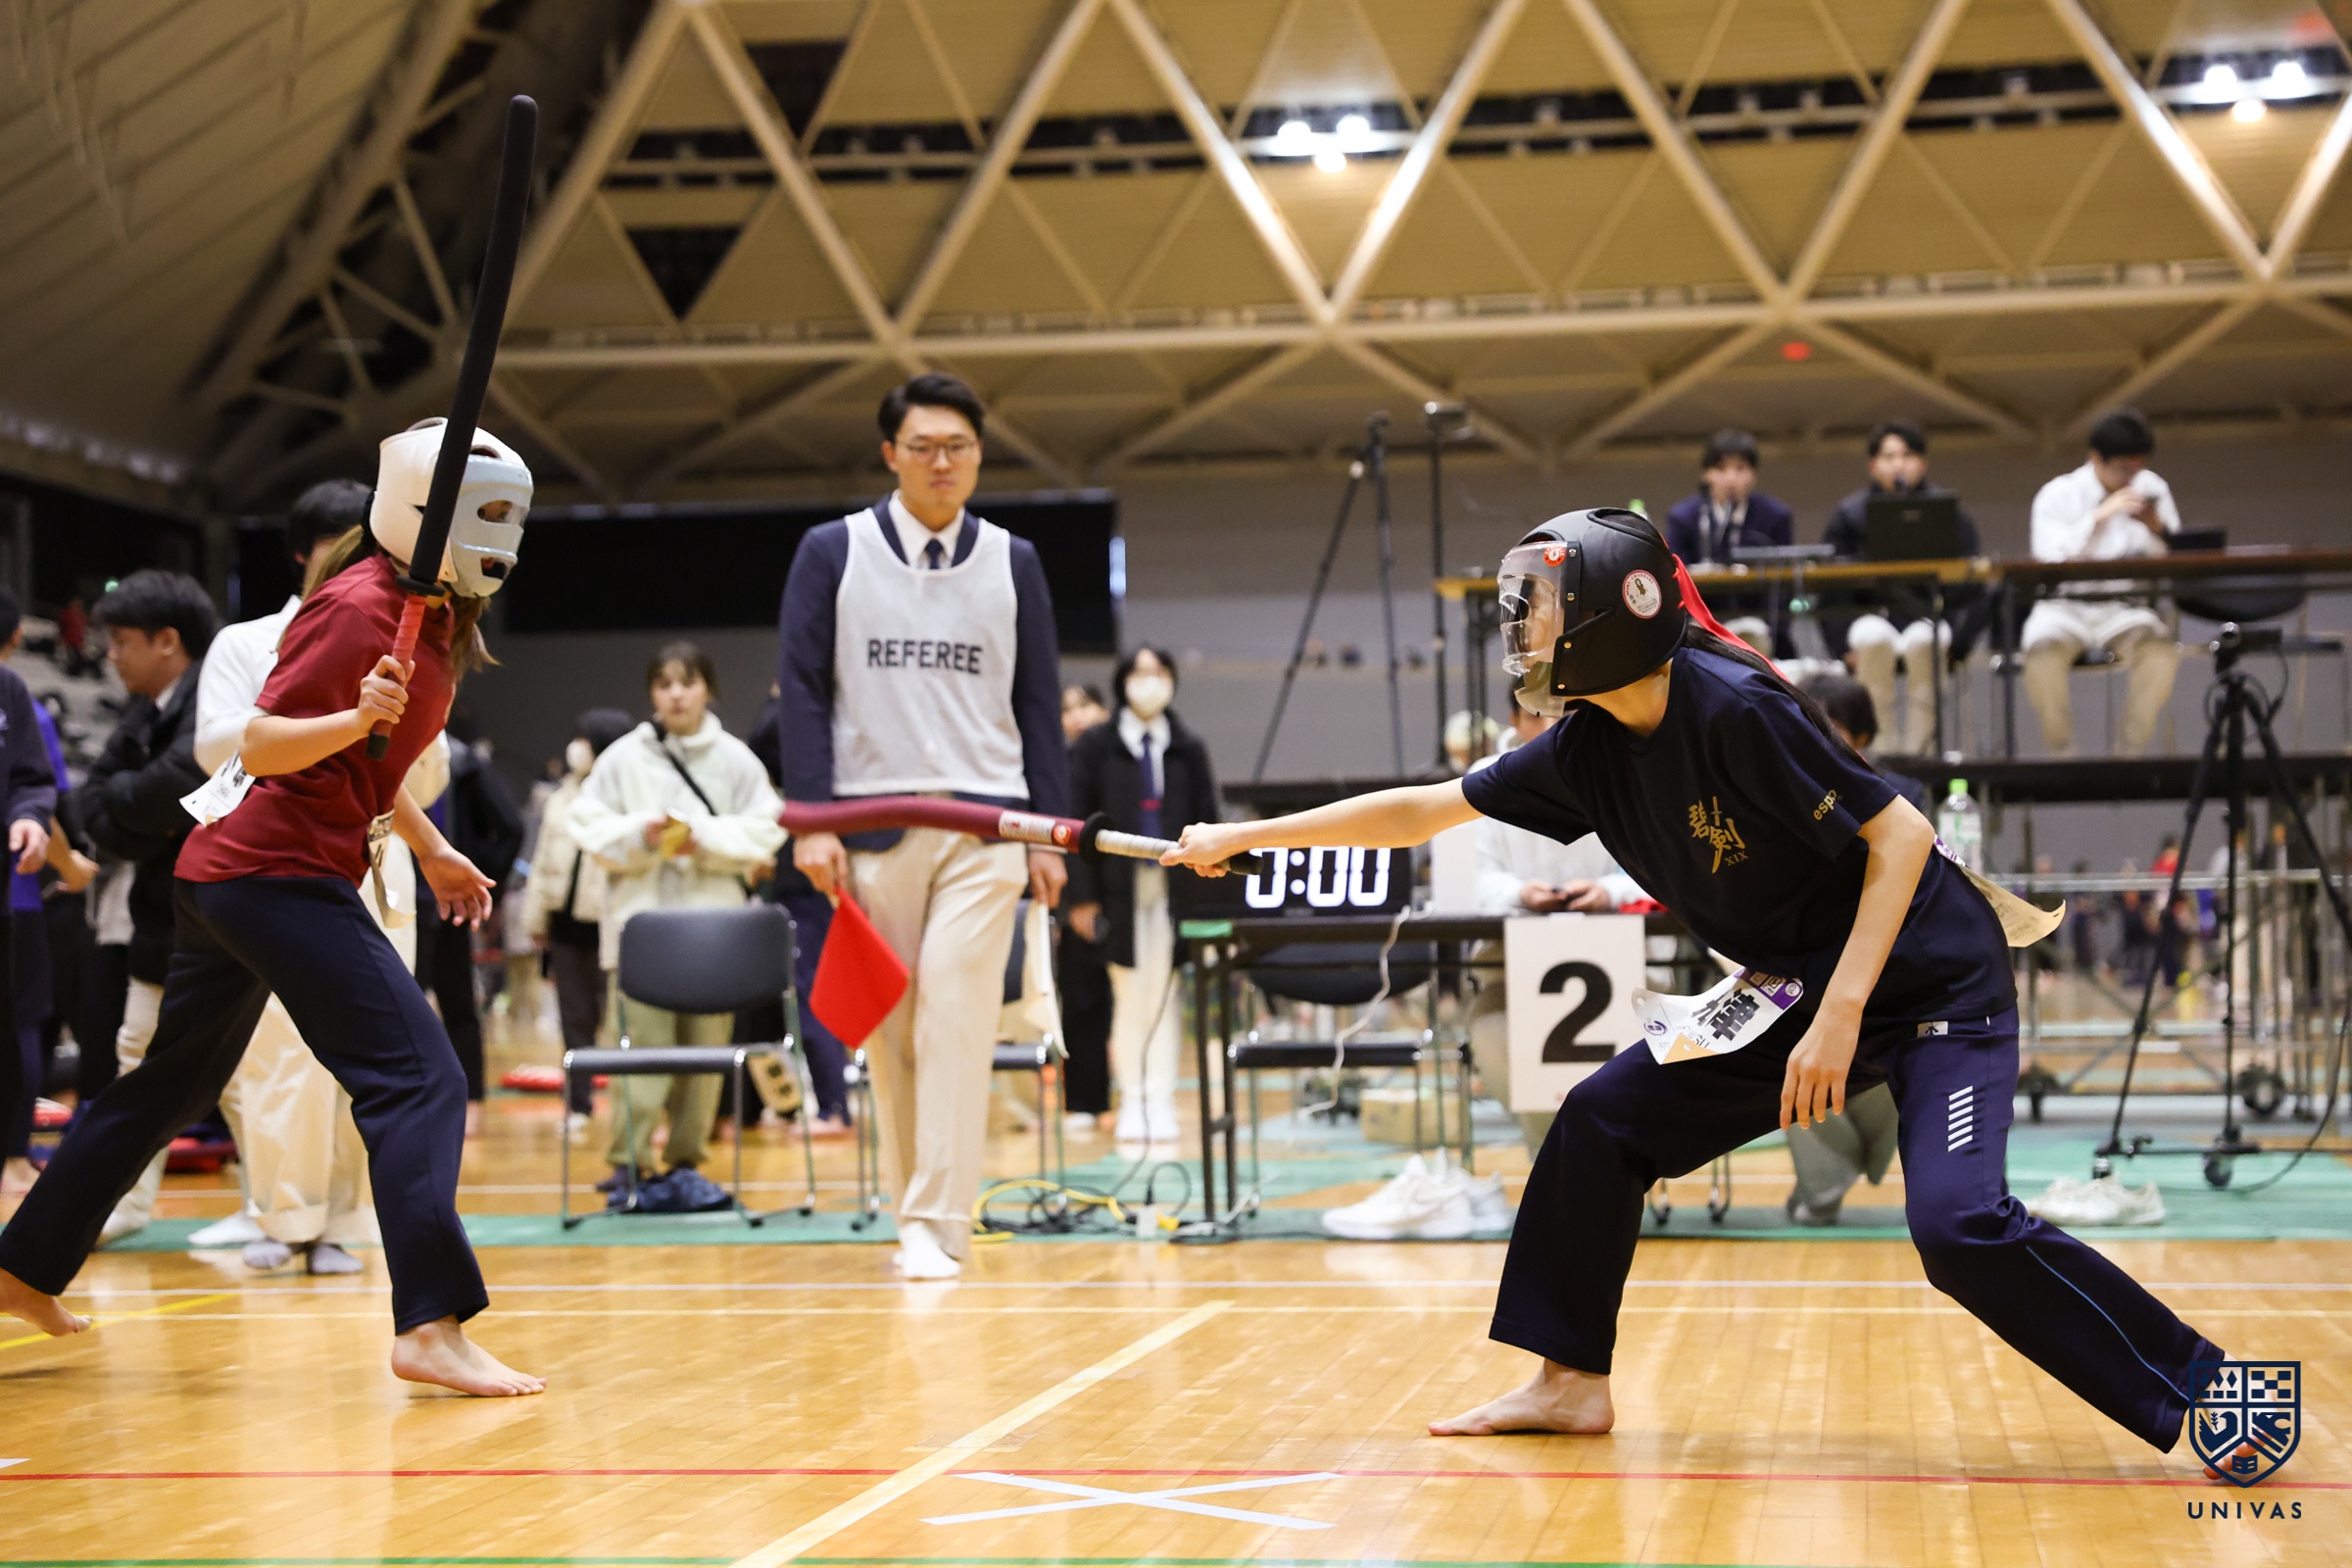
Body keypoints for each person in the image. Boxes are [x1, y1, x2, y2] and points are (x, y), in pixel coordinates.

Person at [1162, 507, 2222, 1455]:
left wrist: (1842, 1014)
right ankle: (1569, 1384)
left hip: (1931, 985)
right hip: (1796, 987)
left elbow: (1902, 836)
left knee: (1958, 1229)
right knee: (1600, 1121)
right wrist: (1242, 835)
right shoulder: (1582, 750)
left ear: (1611, 611)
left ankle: (2209, 1389)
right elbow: (1423, 809)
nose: (1522, 631)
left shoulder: (1734, 707)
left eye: (1539, 608)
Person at [0, 416, 543, 1397]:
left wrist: (431, 848)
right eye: (483, 512)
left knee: (167, 1088)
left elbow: (367, 763)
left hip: (237, 873)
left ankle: (20, 1267)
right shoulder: (363, 605)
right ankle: (430, 1323)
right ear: (424, 509)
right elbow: (260, 740)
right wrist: (355, 714)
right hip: (271, 872)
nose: (498, 533)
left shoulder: (430, 607)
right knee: (418, 1077)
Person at [779, 371, 1069, 1280]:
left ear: (978, 455)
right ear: (890, 455)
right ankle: (915, 1219)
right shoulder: (834, 551)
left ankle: (938, 1221)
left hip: (988, 825)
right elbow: (802, 695)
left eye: (958, 447)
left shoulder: (1014, 560)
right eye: (924, 447)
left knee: (956, 1011)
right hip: (873, 823)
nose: (942, 463)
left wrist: (1049, 832)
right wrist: (810, 821)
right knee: (893, 1032)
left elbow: (1040, 702)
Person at [186, 479, 447, 1272]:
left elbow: (423, 771)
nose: (364, 561)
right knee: (283, 1053)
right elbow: (220, 746)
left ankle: (341, 1218)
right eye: (346, 545)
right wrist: (334, 724)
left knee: (380, 1055)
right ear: (304, 552)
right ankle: (282, 1217)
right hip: (275, 859)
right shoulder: (247, 642)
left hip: (375, 855)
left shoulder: (417, 631)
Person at [570, 643, 783, 1200]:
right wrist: (641, 834)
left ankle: (687, 1158)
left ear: (708, 689)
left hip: (715, 932)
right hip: (642, 931)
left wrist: (702, 838)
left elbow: (768, 828)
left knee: (706, 1054)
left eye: (687, 682)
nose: (676, 695)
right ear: (652, 694)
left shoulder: (736, 759)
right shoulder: (623, 758)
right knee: (640, 1049)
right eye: (664, 684)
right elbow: (586, 823)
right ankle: (629, 1160)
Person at [68, 571, 218, 1244]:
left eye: (122, 641)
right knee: (136, 1053)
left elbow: (188, 783)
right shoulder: (141, 711)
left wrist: (147, 816)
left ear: (167, 641)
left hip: (221, 913)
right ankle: (124, 1204)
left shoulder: (216, 696)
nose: (111, 655)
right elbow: (93, 806)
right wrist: (154, 822)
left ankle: (282, 1214)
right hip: (159, 915)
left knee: (245, 1070)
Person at [1065, 648, 1217, 1147]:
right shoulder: (1096, 746)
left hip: (1173, 889)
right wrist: (1081, 898)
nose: (1150, 682)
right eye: (1140, 672)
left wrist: (1206, 896)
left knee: (1165, 996)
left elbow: (1210, 819)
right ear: (1122, 680)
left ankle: (1161, 1099)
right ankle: (1132, 1098)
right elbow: (1076, 821)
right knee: (1128, 995)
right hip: (1117, 889)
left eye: (1159, 673)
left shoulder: (1187, 747)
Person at [2022, 408, 2183, 757]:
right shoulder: (2058, 494)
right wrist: (2099, 517)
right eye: (2123, 468)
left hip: (2124, 608)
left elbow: (2171, 559)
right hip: (2064, 608)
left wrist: (2156, 527)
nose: (2131, 477)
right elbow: (2048, 559)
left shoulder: (2152, 489)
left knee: (2160, 650)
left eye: (2137, 467)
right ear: (2096, 459)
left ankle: (2129, 756)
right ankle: (2062, 756)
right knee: (2040, 649)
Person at [1821, 420, 1985, 755]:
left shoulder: (1949, 513)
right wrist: (1840, 646)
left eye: (1908, 456)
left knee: (1927, 641)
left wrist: (1959, 644)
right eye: (1889, 456)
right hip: (1870, 619)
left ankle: (1920, 754)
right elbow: (1830, 585)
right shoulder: (1849, 514)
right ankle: (1880, 754)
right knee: (1872, 638)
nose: (1899, 464)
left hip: (1929, 620)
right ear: (1873, 465)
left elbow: (1971, 582)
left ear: (1922, 463)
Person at [521, 707, 633, 1137]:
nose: (576, 748)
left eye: (585, 740)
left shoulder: (627, 795)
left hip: (611, 922)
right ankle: (578, 1103)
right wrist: (536, 917)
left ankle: (629, 1107)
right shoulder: (561, 797)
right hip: (565, 924)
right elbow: (542, 862)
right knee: (575, 1017)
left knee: (620, 1019)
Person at [0, 633, 56, 1199]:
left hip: (12, 901)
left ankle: (13, 1154)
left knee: (15, 1032)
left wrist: (30, 817)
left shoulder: (9, 691)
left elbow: (34, 782)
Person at [1662, 428, 1792, 655]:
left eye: (1740, 468)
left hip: (1757, 621)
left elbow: (1783, 584)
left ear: (1753, 474)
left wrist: (1772, 630)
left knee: (1754, 637)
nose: (1731, 479)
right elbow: (1674, 579)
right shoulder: (1683, 518)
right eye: (1721, 469)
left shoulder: (1776, 516)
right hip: (1700, 620)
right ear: (1706, 474)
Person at [1055, 683, 1112, 1131]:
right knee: (1081, 1002)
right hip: (1078, 900)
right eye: (1067, 709)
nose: (1077, 715)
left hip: (1127, 894)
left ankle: (1138, 1098)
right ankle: (1084, 1103)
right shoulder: (1058, 767)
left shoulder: (1121, 759)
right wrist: (1075, 901)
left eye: (1086, 705)